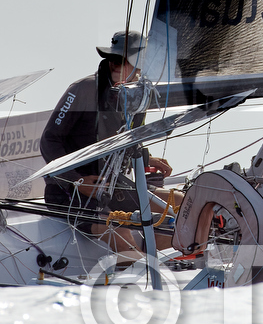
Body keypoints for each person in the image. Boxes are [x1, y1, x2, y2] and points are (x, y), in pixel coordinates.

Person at [39, 31, 173, 248]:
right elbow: (49, 141)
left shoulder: (138, 96)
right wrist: (76, 180)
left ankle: (152, 260)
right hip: (67, 192)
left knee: (185, 204)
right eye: (113, 59)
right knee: (119, 230)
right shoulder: (83, 89)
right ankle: (139, 272)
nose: (115, 64)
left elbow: (126, 144)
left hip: (112, 185)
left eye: (124, 61)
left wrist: (147, 158)